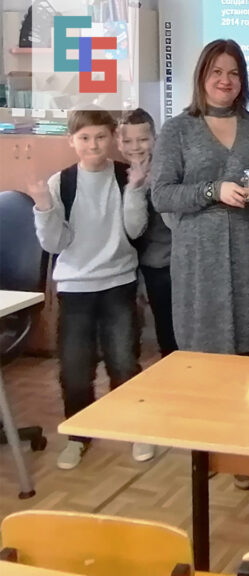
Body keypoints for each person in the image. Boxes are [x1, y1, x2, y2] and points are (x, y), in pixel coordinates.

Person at [151, 39, 249, 491]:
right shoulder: (178, 129)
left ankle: (240, 449)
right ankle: (204, 450)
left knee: (247, 356)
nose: (225, 80)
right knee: (204, 359)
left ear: (243, 79)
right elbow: (162, 194)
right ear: (202, 77)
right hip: (200, 257)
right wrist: (213, 191)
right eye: (216, 72)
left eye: (233, 72)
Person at [23, 108, 148, 469]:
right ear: (72, 141)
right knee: (75, 367)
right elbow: (55, 243)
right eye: (85, 138)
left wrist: (136, 190)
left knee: (124, 361)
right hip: (75, 288)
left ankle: (137, 431)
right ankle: (78, 436)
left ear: (112, 138)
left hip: (119, 283)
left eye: (100, 137)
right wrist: (44, 206)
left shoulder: (125, 175)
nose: (93, 145)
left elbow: (135, 229)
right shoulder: (61, 182)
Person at [117, 108, 177, 361]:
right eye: (128, 141)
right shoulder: (119, 173)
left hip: (169, 265)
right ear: (119, 142)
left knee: (175, 335)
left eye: (142, 139)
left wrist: (148, 186)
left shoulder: (167, 170)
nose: (135, 147)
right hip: (139, 267)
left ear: (155, 138)